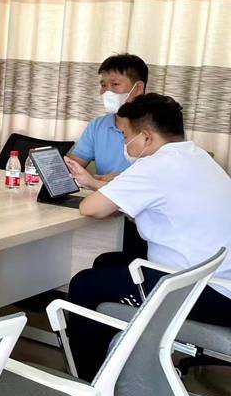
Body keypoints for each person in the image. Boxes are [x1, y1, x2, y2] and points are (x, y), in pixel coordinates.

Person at [63, 94, 231, 381]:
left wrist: (92, 187)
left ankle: (90, 382)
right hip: (217, 280)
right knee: (108, 262)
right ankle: (121, 359)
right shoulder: (197, 156)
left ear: (146, 137)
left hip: (204, 292)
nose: (124, 143)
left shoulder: (155, 165)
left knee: (85, 285)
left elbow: (90, 208)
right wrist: (94, 183)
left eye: (125, 135)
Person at [68, 53, 150, 257]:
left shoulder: (157, 130)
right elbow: (74, 164)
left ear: (138, 88)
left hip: (139, 220)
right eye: (103, 85)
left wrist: (102, 181)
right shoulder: (98, 125)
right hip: (104, 212)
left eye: (115, 85)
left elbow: (151, 183)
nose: (107, 92)